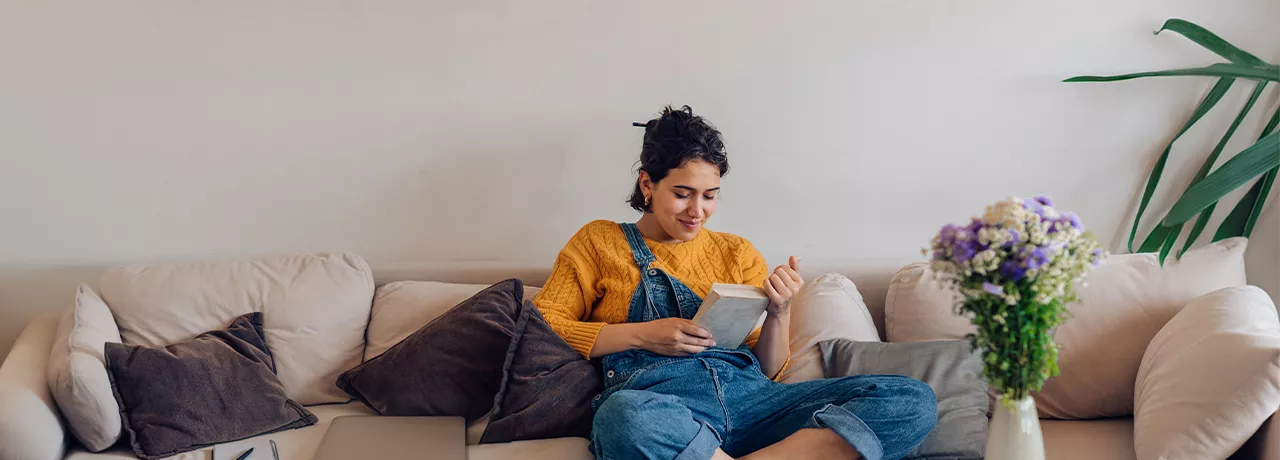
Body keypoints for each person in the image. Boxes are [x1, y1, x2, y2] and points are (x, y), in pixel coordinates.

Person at [534, 105, 936, 460]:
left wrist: (779, 311)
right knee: (623, 419)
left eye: (710, 196)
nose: (698, 211)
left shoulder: (737, 252)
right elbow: (544, 328)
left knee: (911, 400)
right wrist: (642, 336)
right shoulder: (600, 241)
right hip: (664, 404)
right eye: (683, 193)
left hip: (756, 402)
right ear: (647, 184)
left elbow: (770, 370)